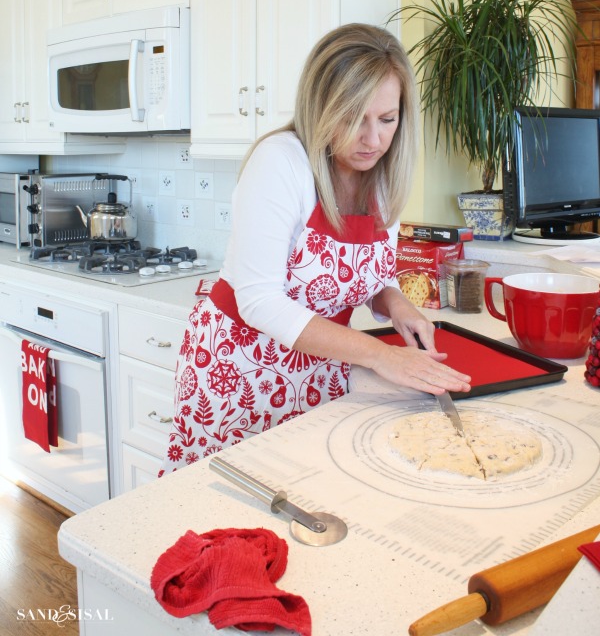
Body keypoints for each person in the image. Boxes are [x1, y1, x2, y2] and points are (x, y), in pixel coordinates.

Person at [159, 23, 471, 475]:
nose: (373, 140)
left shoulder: (382, 177)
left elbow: (368, 274)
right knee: (226, 516)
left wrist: (396, 303)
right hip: (237, 370)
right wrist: (383, 355)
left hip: (321, 368)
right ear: (321, 107)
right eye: (353, 118)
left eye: (387, 119)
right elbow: (259, 301)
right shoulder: (281, 161)